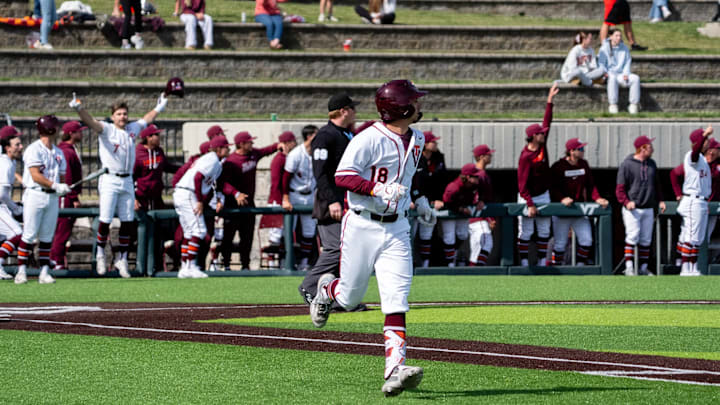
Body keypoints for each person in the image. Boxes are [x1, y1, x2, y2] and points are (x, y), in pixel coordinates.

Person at [310, 79, 435, 397]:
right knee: (349, 298)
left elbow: (406, 177)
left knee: (396, 297)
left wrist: (417, 199)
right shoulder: (367, 138)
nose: (420, 105)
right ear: (401, 107)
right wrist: (378, 188)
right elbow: (343, 176)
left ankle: (395, 368)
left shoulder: (417, 138)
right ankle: (328, 289)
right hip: (363, 225)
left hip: (397, 228)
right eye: (415, 101)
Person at [69, 91, 169, 278]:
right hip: (110, 179)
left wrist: (159, 107)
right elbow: (91, 122)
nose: (123, 117)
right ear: (113, 116)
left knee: (127, 221)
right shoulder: (107, 129)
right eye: (119, 114)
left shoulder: (132, 128)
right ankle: (100, 254)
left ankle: (121, 259)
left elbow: (146, 119)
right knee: (105, 220)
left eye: (125, 113)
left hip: (127, 180)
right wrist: (79, 108)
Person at [298, 92, 358, 305]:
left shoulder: (346, 134)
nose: (355, 112)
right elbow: (320, 172)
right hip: (330, 201)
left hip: (346, 201)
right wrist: (332, 199)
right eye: (352, 108)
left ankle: (340, 296)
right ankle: (310, 286)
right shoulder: (325, 136)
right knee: (335, 248)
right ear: (343, 111)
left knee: (348, 250)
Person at [14, 115, 70, 284]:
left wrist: (63, 187)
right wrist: (55, 185)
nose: (58, 129)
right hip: (35, 194)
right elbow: (35, 175)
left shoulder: (58, 152)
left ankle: (44, 272)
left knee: (47, 236)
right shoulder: (34, 149)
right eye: (56, 126)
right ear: (49, 129)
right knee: (29, 234)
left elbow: (62, 175)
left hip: (52, 198)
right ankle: (21, 271)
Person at [220, 131, 279, 270]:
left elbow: (266, 151)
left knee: (247, 237)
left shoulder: (253, 154)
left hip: (249, 204)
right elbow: (223, 183)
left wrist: (278, 145)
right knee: (228, 236)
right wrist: (236, 193)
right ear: (241, 144)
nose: (252, 144)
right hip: (233, 204)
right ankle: (226, 265)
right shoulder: (230, 161)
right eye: (249, 142)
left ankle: (245, 266)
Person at [173, 135, 229, 278]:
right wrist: (199, 201)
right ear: (219, 148)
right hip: (188, 193)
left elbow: (209, 187)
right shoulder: (212, 158)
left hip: (183, 193)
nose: (228, 149)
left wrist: (209, 200)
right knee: (199, 231)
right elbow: (198, 177)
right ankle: (191, 266)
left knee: (189, 232)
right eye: (226, 147)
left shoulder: (217, 163)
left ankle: (185, 267)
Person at [517, 83, 560, 267]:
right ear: (533, 137)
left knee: (544, 230)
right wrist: (530, 203)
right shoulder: (526, 156)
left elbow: (547, 122)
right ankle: (525, 263)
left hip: (543, 193)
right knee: (525, 231)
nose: (543, 134)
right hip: (527, 196)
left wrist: (549, 100)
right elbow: (522, 185)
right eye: (540, 134)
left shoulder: (542, 146)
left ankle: (543, 262)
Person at [549, 138, 609, 266]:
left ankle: (580, 266)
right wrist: (562, 198)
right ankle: (556, 270)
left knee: (587, 240)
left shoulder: (584, 164)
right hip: (562, 211)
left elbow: (590, 185)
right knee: (560, 244)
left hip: (579, 210)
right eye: (580, 149)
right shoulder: (558, 166)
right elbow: (552, 188)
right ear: (571, 151)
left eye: (582, 148)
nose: (583, 151)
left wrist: (597, 198)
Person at [615, 135, 666, 276]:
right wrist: (626, 202)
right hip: (633, 208)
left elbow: (657, 185)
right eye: (650, 146)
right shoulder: (627, 164)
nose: (652, 148)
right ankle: (629, 267)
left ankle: (643, 268)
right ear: (642, 148)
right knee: (632, 236)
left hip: (648, 207)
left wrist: (661, 200)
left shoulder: (652, 163)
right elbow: (620, 188)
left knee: (646, 239)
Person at [676, 127, 714, 276]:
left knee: (697, 238)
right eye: (705, 140)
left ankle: (692, 267)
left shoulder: (703, 159)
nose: (708, 142)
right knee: (691, 236)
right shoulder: (692, 156)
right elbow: (695, 151)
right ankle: (685, 268)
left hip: (701, 201)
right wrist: (704, 135)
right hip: (693, 200)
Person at [49, 121, 85, 271]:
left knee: (63, 231)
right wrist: (74, 197)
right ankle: (55, 261)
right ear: (71, 133)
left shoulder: (69, 150)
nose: (81, 134)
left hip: (67, 196)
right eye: (79, 131)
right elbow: (67, 177)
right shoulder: (66, 151)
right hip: (65, 197)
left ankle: (56, 260)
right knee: (62, 231)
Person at [282, 125, 318, 271]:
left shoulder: (318, 152)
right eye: (316, 134)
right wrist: (285, 198)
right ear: (309, 136)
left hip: (311, 194)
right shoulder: (296, 154)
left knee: (309, 231)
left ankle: (304, 262)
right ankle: (287, 261)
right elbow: (286, 178)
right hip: (295, 194)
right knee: (289, 230)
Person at [413, 131, 446, 267]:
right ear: (425, 144)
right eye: (433, 141)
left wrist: (438, 199)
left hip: (431, 201)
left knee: (427, 234)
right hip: (414, 200)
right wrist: (413, 198)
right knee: (411, 233)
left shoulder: (438, 158)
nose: (436, 144)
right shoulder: (415, 158)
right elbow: (412, 181)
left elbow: (442, 181)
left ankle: (425, 264)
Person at [441, 163, 483, 267]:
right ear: (468, 177)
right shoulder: (454, 187)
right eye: (475, 176)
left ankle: (451, 254)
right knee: (449, 237)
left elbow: (477, 197)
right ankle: (450, 264)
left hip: (462, 212)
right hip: (448, 212)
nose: (478, 177)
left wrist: (480, 201)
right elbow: (446, 203)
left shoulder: (474, 186)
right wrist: (460, 209)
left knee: (463, 234)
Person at [263, 131, 298, 249]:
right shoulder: (279, 159)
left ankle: (284, 264)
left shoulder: (290, 157)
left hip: (286, 198)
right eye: (293, 141)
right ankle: (273, 265)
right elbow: (276, 182)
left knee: (286, 235)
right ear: (287, 143)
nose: (295, 143)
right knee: (275, 235)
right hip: (277, 199)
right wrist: (281, 198)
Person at [134, 124, 180, 212]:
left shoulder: (159, 151)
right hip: (141, 197)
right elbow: (132, 177)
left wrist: (185, 168)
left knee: (159, 221)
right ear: (149, 137)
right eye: (157, 135)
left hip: (156, 195)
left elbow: (166, 167)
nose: (160, 137)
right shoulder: (137, 154)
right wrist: (134, 198)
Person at [0, 126, 24, 280]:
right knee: (17, 233)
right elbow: (2, 194)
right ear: (7, 147)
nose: (21, 147)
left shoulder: (9, 162)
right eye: (17, 144)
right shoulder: (5, 163)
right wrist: (15, 208)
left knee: (4, 238)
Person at [598, 28, 641, 115]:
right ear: (611, 37)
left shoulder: (624, 48)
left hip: (621, 75)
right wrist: (605, 73)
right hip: (610, 74)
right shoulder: (604, 48)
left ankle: (633, 104)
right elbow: (601, 63)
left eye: (620, 36)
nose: (619, 37)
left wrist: (626, 73)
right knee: (612, 78)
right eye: (616, 35)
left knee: (635, 78)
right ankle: (613, 104)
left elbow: (627, 62)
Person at [468, 144, 494, 266]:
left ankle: (473, 273)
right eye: (489, 154)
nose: (491, 156)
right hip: (478, 217)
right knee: (486, 243)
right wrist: (490, 218)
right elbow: (477, 199)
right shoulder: (478, 174)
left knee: (476, 250)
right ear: (482, 156)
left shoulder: (481, 173)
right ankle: (477, 270)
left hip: (475, 217)